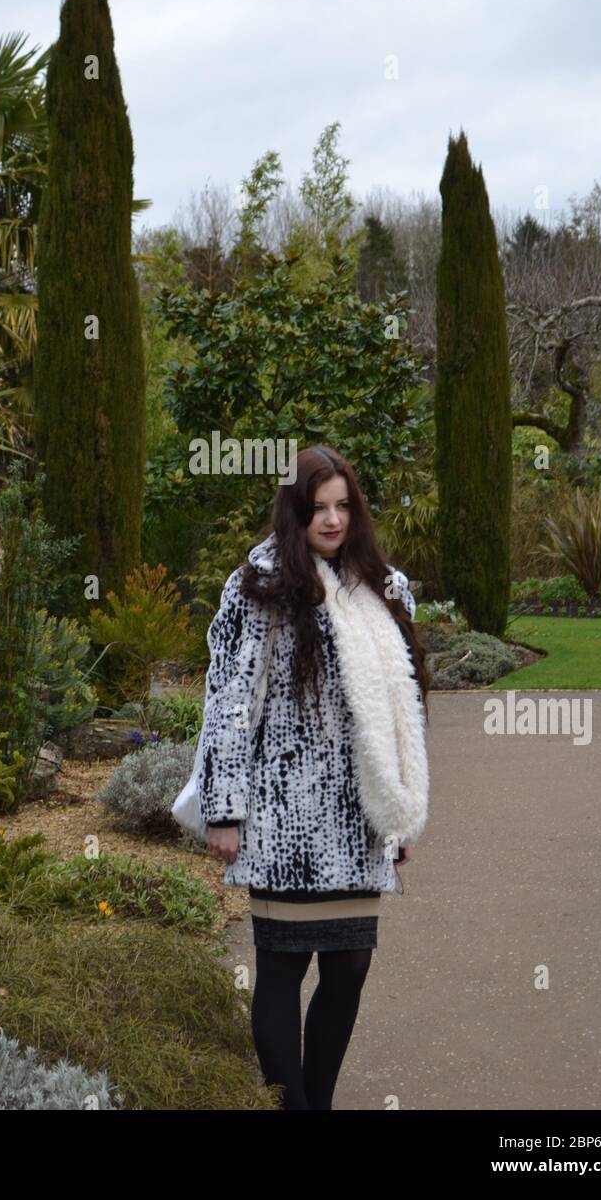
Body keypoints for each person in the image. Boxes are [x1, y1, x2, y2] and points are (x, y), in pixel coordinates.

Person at [197, 444, 430, 1110]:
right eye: (317, 508)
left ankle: (315, 1104)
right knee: (282, 969)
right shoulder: (260, 586)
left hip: (359, 818)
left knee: (350, 967)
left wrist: (400, 812)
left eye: (342, 506)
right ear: (293, 513)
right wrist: (224, 808)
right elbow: (230, 700)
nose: (331, 520)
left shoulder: (385, 585)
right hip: (283, 819)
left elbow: (400, 709)